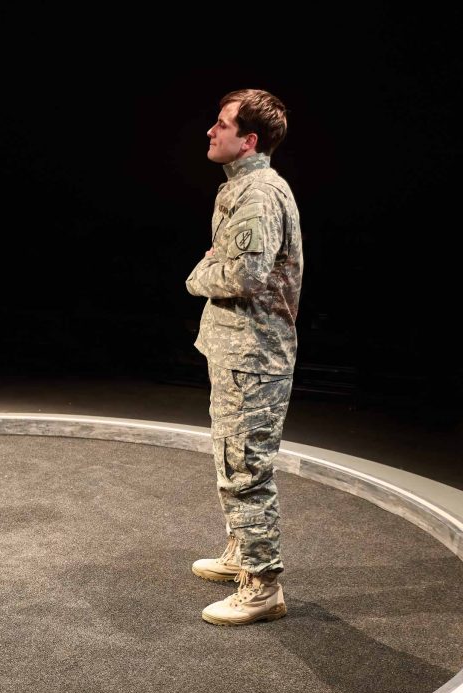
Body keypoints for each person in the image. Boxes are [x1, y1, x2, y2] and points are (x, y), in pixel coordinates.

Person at [184, 90, 303, 625]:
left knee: (245, 469)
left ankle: (263, 585)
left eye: (222, 123)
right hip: (236, 349)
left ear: (248, 139)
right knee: (230, 459)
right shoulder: (243, 189)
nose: (211, 131)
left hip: (252, 356)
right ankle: (242, 554)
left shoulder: (258, 194)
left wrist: (196, 276)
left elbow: (241, 275)